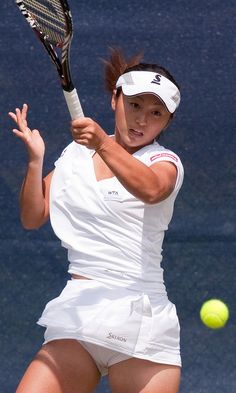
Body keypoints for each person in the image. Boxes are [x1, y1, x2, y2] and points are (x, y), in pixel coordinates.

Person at [9, 47, 184, 393]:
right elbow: (33, 217)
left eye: (156, 112)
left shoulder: (165, 162)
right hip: (79, 313)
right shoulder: (75, 155)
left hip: (141, 319)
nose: (142, 120)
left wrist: (103, 142)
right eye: (134, 105)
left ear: (167, 122)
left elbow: (151, 190)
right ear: (114, 100)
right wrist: (35, 162)